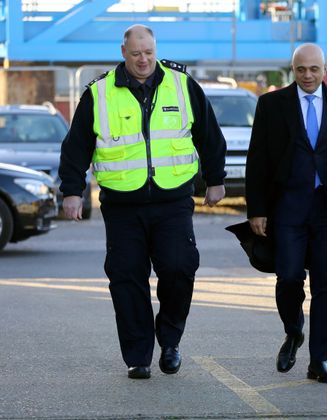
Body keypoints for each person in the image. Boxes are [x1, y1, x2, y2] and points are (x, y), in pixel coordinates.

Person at [58, 25, 226, 379]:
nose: (143, 59)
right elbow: (76, 147)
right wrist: (72, 190)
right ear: (123, 52)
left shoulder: (182, 84)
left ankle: (169, 340)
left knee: (180, 268)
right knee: (126, 277)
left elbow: (209, 134)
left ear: (155, 49)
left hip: (173, 199)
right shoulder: (99, 93)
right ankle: (138, 356)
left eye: (148, 51)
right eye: (136, 53)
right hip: (122, 205)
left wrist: (216, 179)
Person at [245, 43, 327, 383]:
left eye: (314, 69)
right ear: (293, 70)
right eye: (301, 70)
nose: (307, 76)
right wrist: (256, 209)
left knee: (326, 286)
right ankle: (293, 330)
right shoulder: (271, 105)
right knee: (288, 277)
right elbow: (257, 159)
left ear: (324, 69)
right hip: (288, 207)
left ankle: (320, 359)